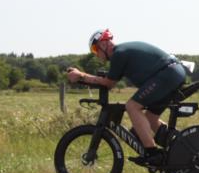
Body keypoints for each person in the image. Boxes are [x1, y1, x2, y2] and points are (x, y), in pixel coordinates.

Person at [66, 29, 186, 165]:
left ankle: (152, 153)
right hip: (171, 73)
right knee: (150, 118)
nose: (96, 54)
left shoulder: (119, 54)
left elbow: (108, 83)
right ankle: (177, 147)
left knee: (132, 106)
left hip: (167, 74)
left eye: (95, 49)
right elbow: (108, 80)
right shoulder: (121, 53)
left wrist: (81, 75)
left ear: (104, 44)